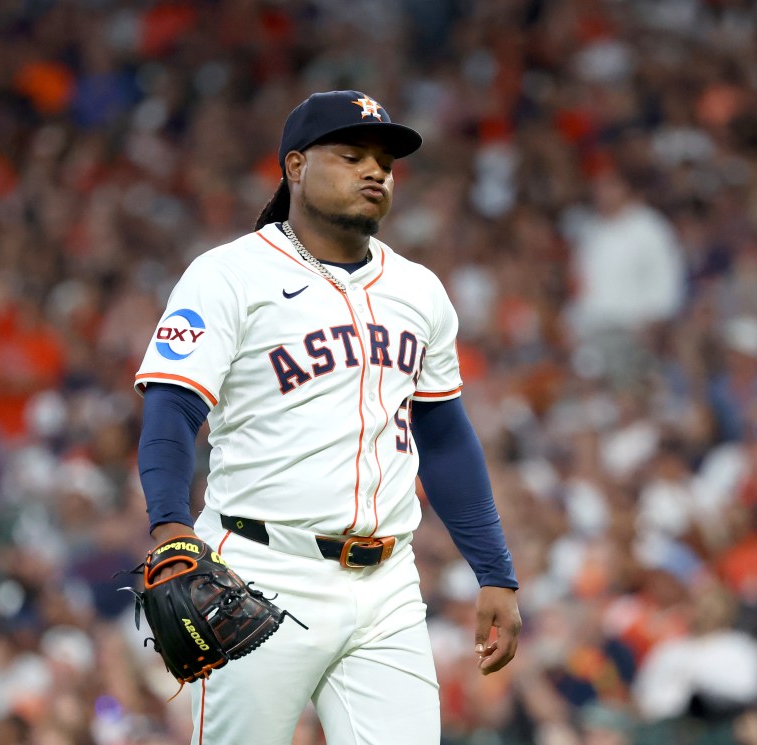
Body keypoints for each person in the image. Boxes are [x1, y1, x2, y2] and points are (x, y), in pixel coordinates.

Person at [133, 90, 522, 745]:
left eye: (385, 163)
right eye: (351, 156)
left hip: (387, 585)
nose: (375, 171)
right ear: (295, 167)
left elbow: (446, 435)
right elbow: (172, 407)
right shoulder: (229, 275)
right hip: (259, 570)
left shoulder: (418, 289)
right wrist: (171, 527)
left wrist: (495, 570)